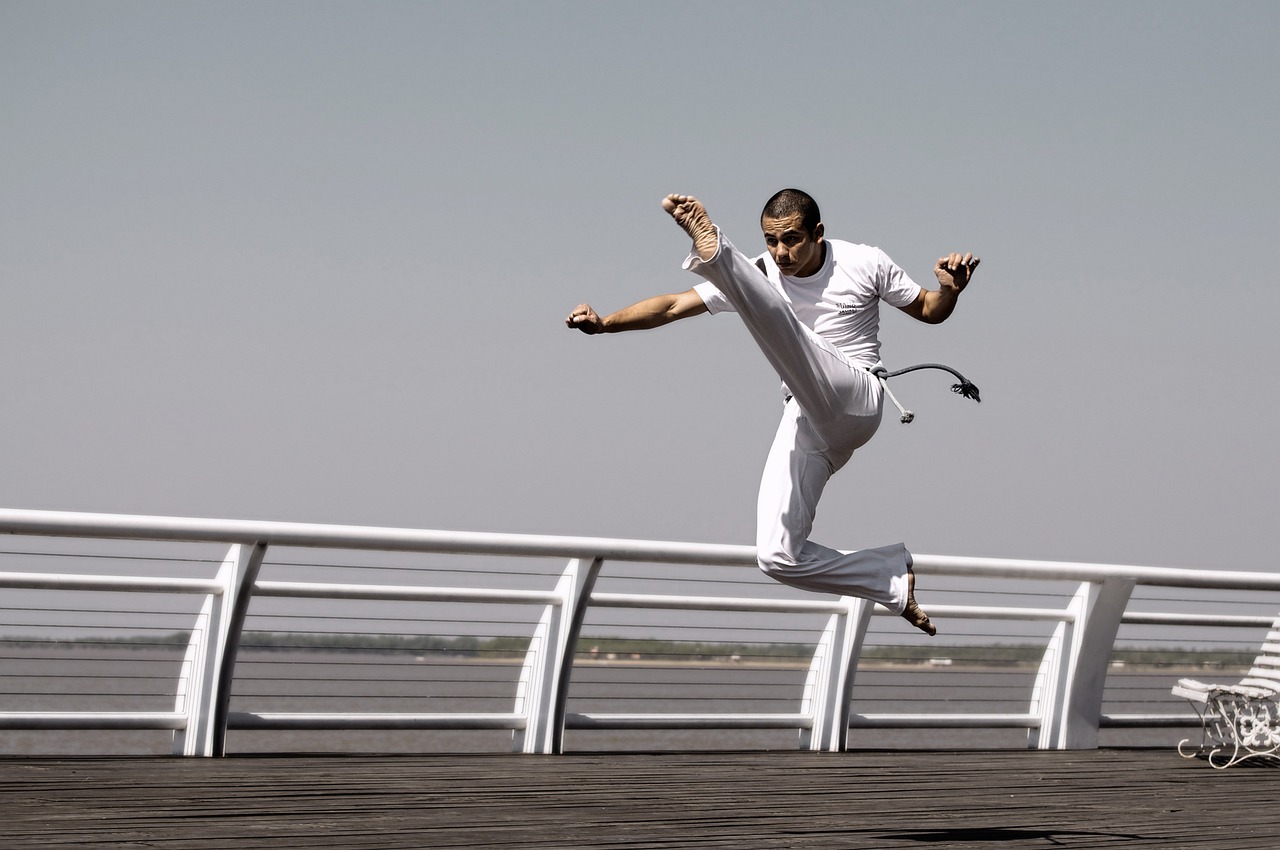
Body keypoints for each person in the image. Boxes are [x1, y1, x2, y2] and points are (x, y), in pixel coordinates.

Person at [565, 191, 979, 635]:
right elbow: (671, 306)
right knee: (777, 556)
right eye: (770, 241)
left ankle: (716, 249)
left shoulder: (863, 261)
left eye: (791, 240)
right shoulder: (761, 272)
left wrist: (949, 290)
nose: (780, 253)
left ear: (818, 234)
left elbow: (930, 310)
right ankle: (888, 577)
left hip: (856, 395)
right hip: (807, 417)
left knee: (772, 313)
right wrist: (607, 323)